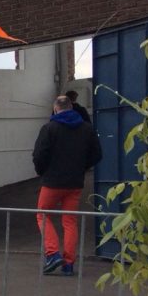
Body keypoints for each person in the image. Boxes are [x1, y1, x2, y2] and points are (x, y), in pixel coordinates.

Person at [33, 94, 102, 276]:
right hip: (75, 183)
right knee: (69, 221)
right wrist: (82, 167)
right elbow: (97, 154)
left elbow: (39, 155)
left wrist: (42, 171)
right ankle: (69, 263)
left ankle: (53, 254)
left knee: (43, 215)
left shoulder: (49, 128)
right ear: (72, 108)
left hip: (52, 182)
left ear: (56, 108)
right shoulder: (86, 129)